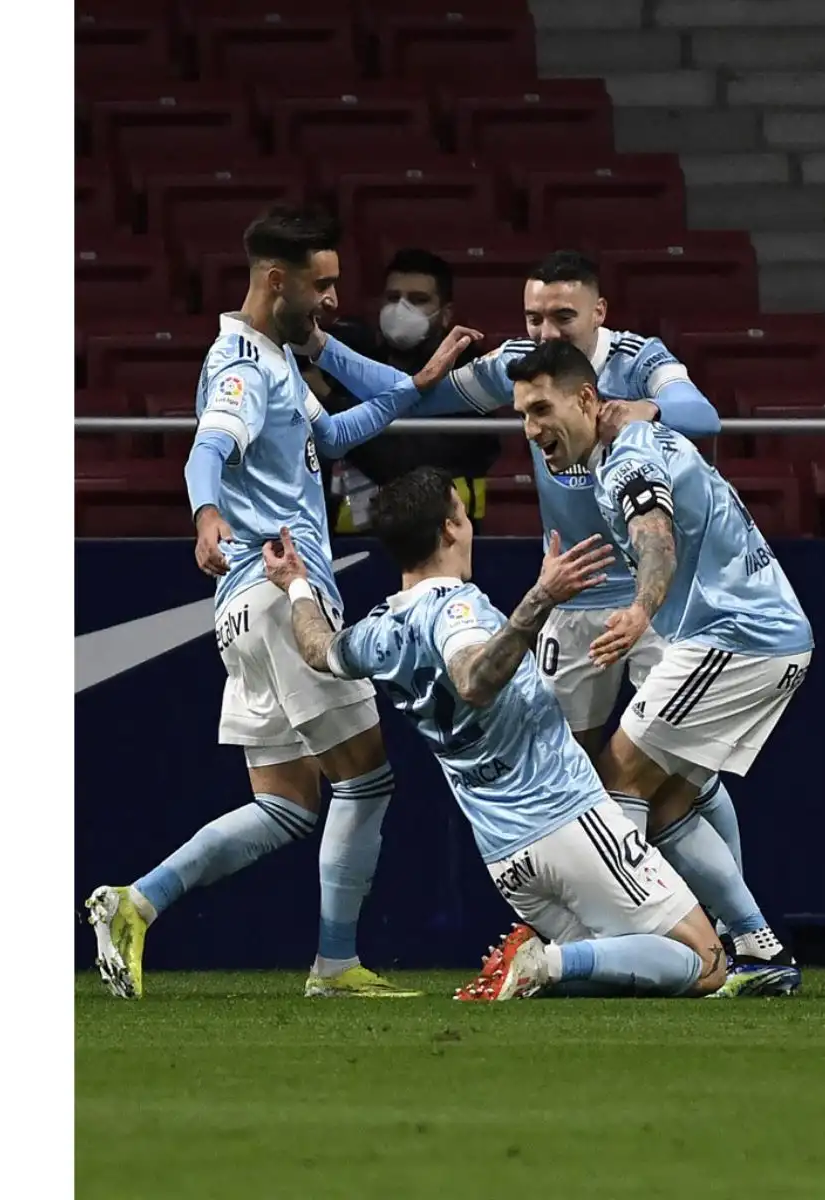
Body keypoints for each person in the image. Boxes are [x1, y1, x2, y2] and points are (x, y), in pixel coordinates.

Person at [298, 250, 755, 935]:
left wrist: (642, 409)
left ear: (599, 313)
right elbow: (419, 391)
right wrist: (319, 347)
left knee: (684, 776)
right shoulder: (519, 362)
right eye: (534, 316)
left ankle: (729, 928)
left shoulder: (638, 356)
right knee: (562, 776)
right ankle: (611, 931)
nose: (545, 332)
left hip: (656, 600)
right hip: (570, 601)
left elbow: (703, 416)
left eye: (562, 317)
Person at [82, 206, 469, 1000]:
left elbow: (330, 437)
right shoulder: (243, 367)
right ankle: (334, 966)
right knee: (367, 781)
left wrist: (403, 381)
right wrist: (207, 513)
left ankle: (136, 902)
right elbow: (208, 448)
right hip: (279, 595)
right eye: (321, 285)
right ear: (273, 280)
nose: (334, 298)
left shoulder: (278, 356)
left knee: (288, 805)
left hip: (246, 609)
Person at [259, 467, 731, 1001]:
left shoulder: (378, 631)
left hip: (505, 857)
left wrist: (295, 583)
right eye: (462, 512)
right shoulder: (457, 609)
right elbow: (472, 679)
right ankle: (542, 959)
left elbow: (319, 649)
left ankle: (542, 965)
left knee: (617, 973)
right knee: (707, 961)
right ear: (448, 530)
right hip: (569, 822)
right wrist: (540, 599)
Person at [506, 340, 815, 998]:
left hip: (739, 639)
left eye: (541, 409)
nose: (532, 430)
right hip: (753, 635)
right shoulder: (628, 437)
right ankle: (757, 946)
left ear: (587, 399)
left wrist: (641, 610)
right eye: (522, 416)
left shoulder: (626, 463)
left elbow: (654, 535)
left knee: (617, 774)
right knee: (669, 797)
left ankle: (626, 943)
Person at [307, 249, 499, 532]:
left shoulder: (470, 377)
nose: (401, 309)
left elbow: (404, 465)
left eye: (418, 300)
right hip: (352, 542)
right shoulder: (360, 361)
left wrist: (329, 399)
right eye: (393, 298)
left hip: (436, 540)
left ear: (445, 315)